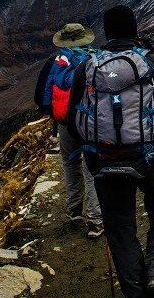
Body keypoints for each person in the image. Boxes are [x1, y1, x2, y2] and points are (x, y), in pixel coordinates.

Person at [68, 5, 154, 298]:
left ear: (106, 33)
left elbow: (73, 120)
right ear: (135, 30)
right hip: (147, 156)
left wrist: (94, 155)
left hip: (105, 159)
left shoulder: (88, 67)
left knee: (120, 228)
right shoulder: (150, 62)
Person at [34, 23, 104, 239]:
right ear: (86, 39)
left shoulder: (55, 63)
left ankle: (74, 210)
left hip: (65, 123)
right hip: (91, 123)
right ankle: (95, 220)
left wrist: (56, 114)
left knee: (70, 162)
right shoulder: (97, 59)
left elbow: (39, 96)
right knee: (92, 167)